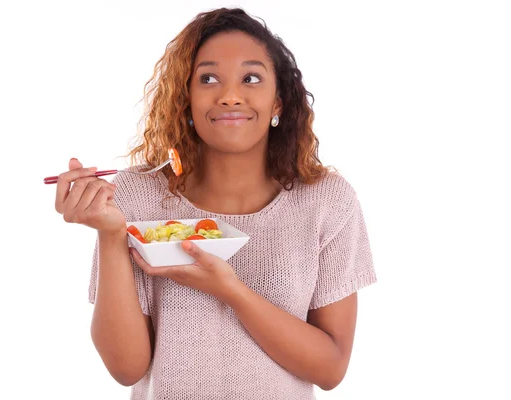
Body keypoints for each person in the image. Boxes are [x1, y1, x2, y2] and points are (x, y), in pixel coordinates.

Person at [53, 7, 376, 399]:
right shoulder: (135, 196)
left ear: (278, 103)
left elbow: (330, 369)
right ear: (186, 100)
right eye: (208, 79)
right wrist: (110, 233)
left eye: (251, 78)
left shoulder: (327, 201)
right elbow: (126, 368)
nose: (229, 96)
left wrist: (232, 291)